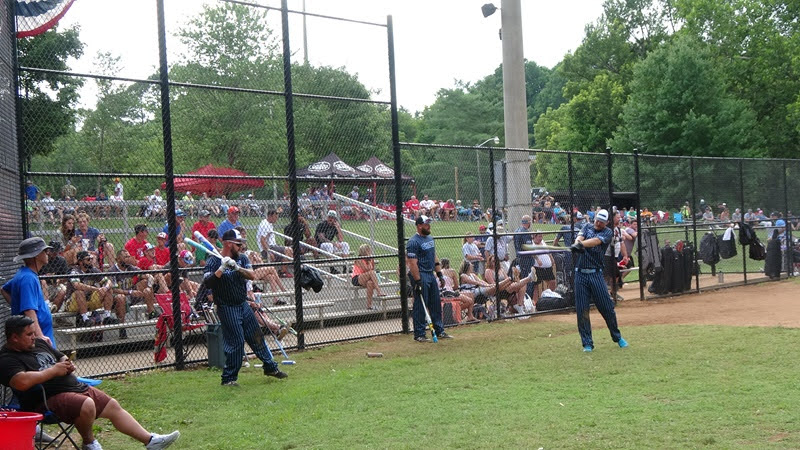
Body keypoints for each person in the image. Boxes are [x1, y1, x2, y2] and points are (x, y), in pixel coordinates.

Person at [0, 316, 180, 450]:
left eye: (33, 333)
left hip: (74, 388)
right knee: (86, 404)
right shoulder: (8, 358)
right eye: (29, 334)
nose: (34, 337)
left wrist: (66, 363)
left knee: (112, 406)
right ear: (14, 337)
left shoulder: (38, 344)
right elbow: (21, 382)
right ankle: (89, 443)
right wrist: (53, 371)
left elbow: (60, 356)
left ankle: (151, 441)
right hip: (46, 401)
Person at [203, 229, 287, 386]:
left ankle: (270, 367)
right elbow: (208, 283)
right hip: (227, 307)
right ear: (229, 244)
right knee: (236, 342)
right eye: (238, 244)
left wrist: (236, 268)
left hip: (243, 304)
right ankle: (229, 379)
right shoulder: (213, 261)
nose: (241, 246)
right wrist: (221, 268)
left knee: (257, 336)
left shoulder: (241, 258)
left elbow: (252, 275)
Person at [569, 209, 628, 352]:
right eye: (597, 220)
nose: (598, 223)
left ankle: (617, 337)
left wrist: (582, 245)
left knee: (607, 307)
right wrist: (577, 243)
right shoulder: (587, 226)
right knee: (582, 310)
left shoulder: (608, 232)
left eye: (601, 221)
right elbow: (580, 237)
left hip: (595, 274)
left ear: (606, 222)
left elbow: (596, 241)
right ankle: (587, 343)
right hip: (580, 275)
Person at [2, 238, 56, 347]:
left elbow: (4, 289)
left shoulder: (25, 274)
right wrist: (39, 336)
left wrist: (16, 306)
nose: (47, 253)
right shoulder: (28, 278)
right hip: (37, 342)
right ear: (36, 255)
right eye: (44, 251)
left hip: (39, 338)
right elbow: (29, 310)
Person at [406, 215, 450, 342]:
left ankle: (439, 330)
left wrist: (439, 274)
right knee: (421, 304)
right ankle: (419, 333)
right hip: (421, 274)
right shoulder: (413, 242)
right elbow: (412, 263)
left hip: (430, 274)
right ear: (419, 226)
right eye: (426, 224)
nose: (429, 226)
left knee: (435, 303)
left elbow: (434, 256)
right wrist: (418, 280)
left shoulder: (430, 239)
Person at [257, 210, 293, 277]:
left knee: (289, 251)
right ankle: (283, 272)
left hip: (272, 247)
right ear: (270, 216)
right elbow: (262, 240)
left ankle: (283, 271)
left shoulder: (269, 224)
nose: (277, 219)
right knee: (289, 250)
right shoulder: (265, 225)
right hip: (268, 249)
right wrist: (269, 252)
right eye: (275, 217)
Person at [352, 244, 385, 310]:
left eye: (369, 250)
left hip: (367, 277)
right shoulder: (359, 259)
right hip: (357, 278)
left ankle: (369, 305)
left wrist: (370, 260)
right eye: (368, 251)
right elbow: (366, 269)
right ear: (364, 252)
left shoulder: (370, 259)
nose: (370, 252)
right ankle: (379, 291)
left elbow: (372, 268)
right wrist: (370, 261)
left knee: (370, 283)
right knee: (371, 273)